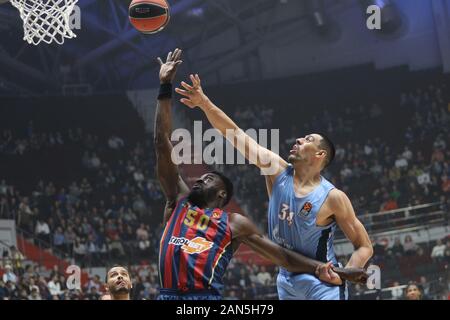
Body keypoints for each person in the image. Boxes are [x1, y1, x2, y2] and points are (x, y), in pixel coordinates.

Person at [154, 49, 367, 301]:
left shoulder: (333, 196)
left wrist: (344, 271)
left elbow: (364, 246)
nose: (298, 139)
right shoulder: (276, 170)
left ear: (320, 155)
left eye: (307, 139)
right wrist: (203, 103)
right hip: (286, 278)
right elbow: (235, 135)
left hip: (322, 279)